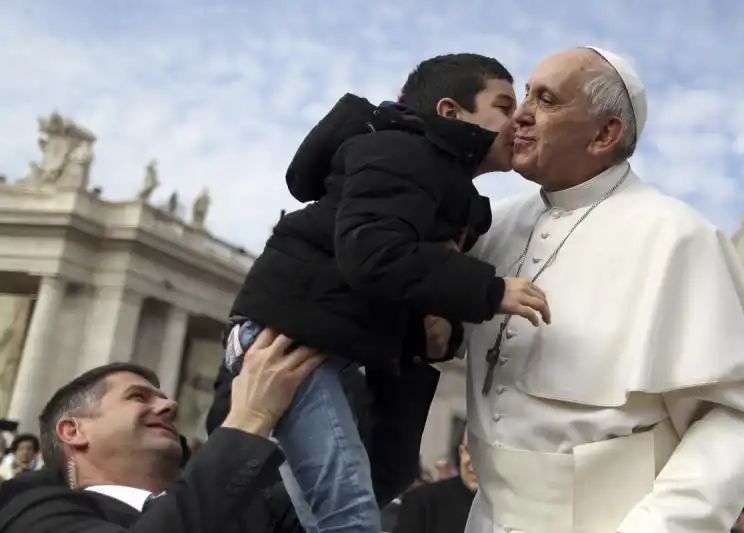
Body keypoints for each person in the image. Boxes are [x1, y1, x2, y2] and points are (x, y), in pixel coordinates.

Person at [211, 53, 549, 533]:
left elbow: (399, 291)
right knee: (348, 515)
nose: (519, 118)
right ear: (451, 113)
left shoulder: (450, 195)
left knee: (379, 480)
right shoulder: (401, 153)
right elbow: (374, 255)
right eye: (503, 105)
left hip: (337, 349)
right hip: (292, 347)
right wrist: (489, 290)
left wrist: (442, 329)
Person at [462, 46, 744, 533]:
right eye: (525, 94)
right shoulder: (491, 225)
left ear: (604, 134)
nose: (519, 115)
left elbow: (732, 424)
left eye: (546, 100)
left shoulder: (676, 236)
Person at [0, 330, 325, 533]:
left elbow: (359, 477)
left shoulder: (255, 506)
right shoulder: (31, 514)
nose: (170, 406)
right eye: (138, 397)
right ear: (73, 431)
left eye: (164, 398)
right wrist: (251, 416)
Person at [393, 429, 477, 533]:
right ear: (461, 452)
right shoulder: (423, 504)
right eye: (470, 450)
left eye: (487, 455)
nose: (475, 463)